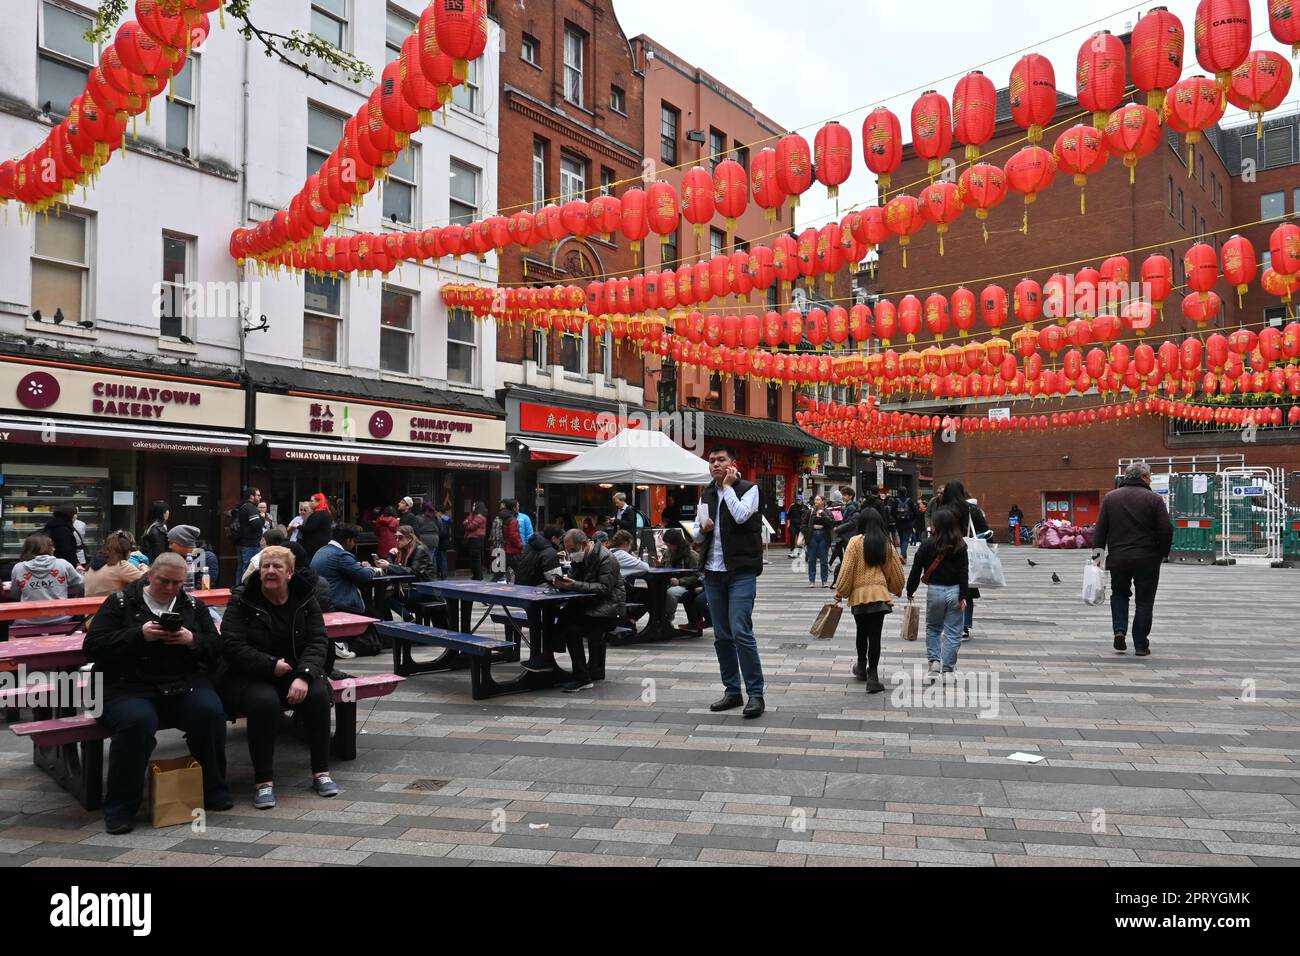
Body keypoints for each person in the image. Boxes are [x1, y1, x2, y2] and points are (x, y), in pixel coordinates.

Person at [84, 553, 230, 833]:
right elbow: (93, 647)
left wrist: (191, 640)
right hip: (126, 685)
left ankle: (213, 788)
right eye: (165, 581)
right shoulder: (120, 602)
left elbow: (216, 647)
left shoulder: (192, 605)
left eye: (178, 583)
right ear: (151, 575)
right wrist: (139, 635)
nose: (171, 588)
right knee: (136, 722)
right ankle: (120, 806)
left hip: (180, 681)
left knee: (209, 712)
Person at [219, 546, 337, 809]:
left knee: (318, 694)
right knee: (264, 702)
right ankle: (263, 781)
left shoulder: (305, 598)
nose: (270, 571)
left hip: (294, 671)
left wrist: (304, 676)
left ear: (290, 573)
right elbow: (231, 644)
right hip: (250, 673)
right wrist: (270, 664)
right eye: (265, 566)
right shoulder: (242, 598)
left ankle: (321, 772)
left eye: (277, 567)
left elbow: (318, 640)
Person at [693, 445, 766, 719]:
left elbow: (741, 515)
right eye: (711, 461)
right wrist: (702, 529)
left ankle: (756, 693)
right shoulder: (706, 493)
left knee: (740, 631)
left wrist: (727, 488)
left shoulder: (749, 489)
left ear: (732, 464)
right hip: (713, 571)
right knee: (722, 635)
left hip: (741, 571)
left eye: (720, 460)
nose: (714, 464)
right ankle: (732, 691)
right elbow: (698, 537)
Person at [1093, 461, 1173, 658]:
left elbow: (1100, 530)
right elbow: (1166, 529)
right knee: (1144, 601)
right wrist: (1162, 553)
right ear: (1144, 477)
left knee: (1119, 594)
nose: (1151, 480)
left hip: (1119, 558)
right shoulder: (1154, 500)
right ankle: (1140, 644)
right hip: (1147, 559)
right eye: (1150, 477)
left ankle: (1119, 630)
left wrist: (1097, 557)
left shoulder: (1111, 498)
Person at [834, 508, 905, 694]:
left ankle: (860, 666)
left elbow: (847, 569)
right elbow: (894, 571)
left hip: (859, 596)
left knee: (861, 632)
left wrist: (840, 592)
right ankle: (872, 676)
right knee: (875, 636)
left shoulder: (854, 542)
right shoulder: (885, 543)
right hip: (880, 596)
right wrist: (897, 589)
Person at [553, 530, 624, 693]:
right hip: (589, 605)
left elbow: (605, 588)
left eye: (572, 550)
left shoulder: (606, 558)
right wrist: (563, 584)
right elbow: (573, 578)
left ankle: (582, 678)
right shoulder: (581, 557)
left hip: (608, 610)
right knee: (561, 618)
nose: (571, 554)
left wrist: (574, 585)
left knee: (572, 630)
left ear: (584, 545)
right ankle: (548, 661)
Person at [906, 507, 969, 685]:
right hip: (955, 591)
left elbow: (916, 568)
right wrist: (964, 595)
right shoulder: (960, 544)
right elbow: (964, 571)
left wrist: (910, 590)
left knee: (933, 628)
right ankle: (948, 670)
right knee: (953, 632)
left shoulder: (927, 544)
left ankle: (934, 662)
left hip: (935, 590)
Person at [310, 523, 386, 659]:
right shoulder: (341, 555)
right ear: (349, 540)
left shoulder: (321, 550)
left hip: (324, 600)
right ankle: (344, 644)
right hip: (341, 602)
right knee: (374, 617)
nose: (354, 544)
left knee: (372, 612)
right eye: (354, 541)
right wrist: (372, 569)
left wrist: (357, 566)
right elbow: (363, 576)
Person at [940, 480, 989, 642]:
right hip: (968, 555)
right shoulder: (972, 510)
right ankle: (965, 627)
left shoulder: (943, 510)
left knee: (946, 589)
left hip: (947, 554)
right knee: (966, 591)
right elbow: (985, 531)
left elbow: (937, 535)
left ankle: (950, 625)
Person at [10, 533, 84, 626]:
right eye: (52, 546)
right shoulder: (62, 564)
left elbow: (15, 594)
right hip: (61, 617)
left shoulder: (18, 568)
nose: (54, 549)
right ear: (47, 548)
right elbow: (82, 585)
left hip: (28, 620)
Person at [385, 524, 436, 621]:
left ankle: (408, 619)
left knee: (386, 597)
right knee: (382, 596)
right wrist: (390, 556)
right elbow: (396, 569)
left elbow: (413, 571)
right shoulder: (403, 551)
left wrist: (388, 565)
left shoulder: (420, 549)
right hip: (410, 587)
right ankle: (393, 625)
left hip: (424, 589)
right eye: (396, 537)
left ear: (409, 538)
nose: (397, 540)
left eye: (400, 537)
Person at [662, 528, 706, 633]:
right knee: (656, 591)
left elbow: (698, 576)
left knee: (671, 593)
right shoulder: (667, 553)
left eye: (669, 545)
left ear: (677, 543)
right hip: (668, 582)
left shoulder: (692, 555)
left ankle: (667, 619)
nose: (668, 547)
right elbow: (664, 565)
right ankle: (658, 619)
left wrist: (680, 581)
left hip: (687, 585)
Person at [84, 531, 147, 598]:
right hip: (110, 606)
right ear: (126, 551)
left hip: (90, 606)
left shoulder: (90, 566)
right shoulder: (121, 565)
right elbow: (146, 580)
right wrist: (145, 570)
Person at [165, 525, 214, 592]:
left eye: (171, 543)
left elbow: (202, 588)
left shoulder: (208, 558)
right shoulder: (177, 558)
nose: (169, 547)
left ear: (182, 542)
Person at [802, 496, 834, 588]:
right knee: (811, 560)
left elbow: (831, 523)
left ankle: (824, 581)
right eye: (815, 500)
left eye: (818, 499)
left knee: (824, 560)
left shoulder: (827, 512)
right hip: (812, 536)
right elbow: (803, 524)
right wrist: (808, 531)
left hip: (824, 536)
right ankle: (812, 580)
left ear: (823, 501)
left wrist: (823, 514)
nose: (816, 501)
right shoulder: (810, 512)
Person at [235, 487, 264, 583]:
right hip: (250, 544)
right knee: (249, 570)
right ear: (252, 496)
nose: (260, 497)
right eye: (258, 495)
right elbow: (256, 524)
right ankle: (244, 592)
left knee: (241, 569)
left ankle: (238, 591)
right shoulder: (250, 507)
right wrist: (262, 518)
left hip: (242, 542)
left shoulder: (242, 506)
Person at [489, 500, 523, 582]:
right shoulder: (512, 520)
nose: (518, 508)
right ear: (514, 508)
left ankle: (488, 588)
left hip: (504, 550)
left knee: (498, 575)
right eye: (517, 506)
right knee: (521, 573)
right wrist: (521, 545)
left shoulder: (501, 517)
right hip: (513, 552)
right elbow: (514, 536)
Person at [299, 494, 333, 562]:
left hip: (314, 546)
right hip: (322, 545)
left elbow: (309, 528)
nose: (309, 502)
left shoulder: (317, 514)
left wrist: (298, 526)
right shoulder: (326, 513)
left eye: (311, 501)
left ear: (318, 502)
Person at [461, 502, 488, 581]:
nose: (473, 507)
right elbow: (464, 522)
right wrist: (469, 518)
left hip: (476, 539)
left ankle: (478, 576)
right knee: (474, 558)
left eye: (474, 505)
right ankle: (476, 575)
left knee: (475, 558)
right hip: (474, 539)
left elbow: (470, 526)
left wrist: (468, 522)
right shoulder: (474, 515)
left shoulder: (479, 517)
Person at [893, 492, 919, 562]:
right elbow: (916, 512)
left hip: (899, 523)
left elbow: (892, 512)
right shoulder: (910, 501)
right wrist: (912, 519)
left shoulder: (896, 501)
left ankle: (904, 558)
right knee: (906, 540)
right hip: (908, 523)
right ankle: (902, 554)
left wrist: (897, 518)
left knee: (901, 539)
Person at [431, 504, 451, 579]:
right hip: (444, 541)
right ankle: (443, 574)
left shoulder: (442, 519)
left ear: (439, 512)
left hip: (441, 541)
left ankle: (443, 574)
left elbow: (443, 532)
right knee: (442, 557)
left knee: (441, 558)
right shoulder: (446, 518)